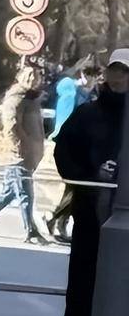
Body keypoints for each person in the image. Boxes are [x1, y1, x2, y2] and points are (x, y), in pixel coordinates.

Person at [54, 49, 129, 316]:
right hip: (90, 210)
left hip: (125, 215)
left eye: (125, 72)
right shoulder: (87, 114)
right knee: (84, 276)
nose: (118, 77)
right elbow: (64, 150)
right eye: (115, 70)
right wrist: (85, 178)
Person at [0, 63, 48, 244]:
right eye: (28, 75)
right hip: (18, 154)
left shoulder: (32, 99)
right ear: (19, 78)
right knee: (26, 194)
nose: (32, 79)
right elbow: (11, 125)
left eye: (35, 76)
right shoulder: (16, 98)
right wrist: (20, 147)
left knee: (10, 192)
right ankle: (31, 231)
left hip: (30, 155)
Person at [44, 59, 98, 242]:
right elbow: (66, 120)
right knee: (76, 188)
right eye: (89, 75)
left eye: (95, 76)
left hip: (86, 147)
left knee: (75, 189)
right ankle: (54, 219)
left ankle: (58, 222)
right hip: (71, 146)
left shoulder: (91, 94)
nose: (92, 79)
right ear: (82, 75)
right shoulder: (72, 93)